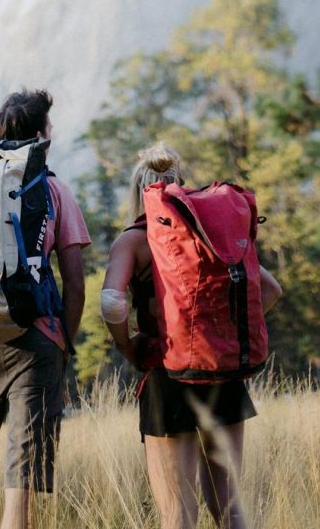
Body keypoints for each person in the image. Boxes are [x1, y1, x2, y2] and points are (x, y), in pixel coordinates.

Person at [101, 143, 282, 529]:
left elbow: (113, 303)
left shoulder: (132, 240)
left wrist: (127, 345)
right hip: (223, 373)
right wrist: (223, 330)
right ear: (179, 186)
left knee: (179, 514)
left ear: (139, 191)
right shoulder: (206, 235)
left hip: (168, 377)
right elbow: (270, 290)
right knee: (231, 508)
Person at [0, 89, 90, 529]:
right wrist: (62, 341)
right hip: (38, 338)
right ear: (42, 134)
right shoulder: (53, 189)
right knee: (20, 480)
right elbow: (76, 281)